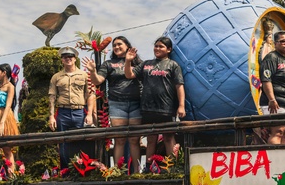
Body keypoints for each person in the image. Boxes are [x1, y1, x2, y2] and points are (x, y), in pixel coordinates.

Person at [84, 36, 142, 172]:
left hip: (136, 103)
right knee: (120, 139)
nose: (116, 47)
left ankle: (136, 172)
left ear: (127, 45)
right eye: (114, 45)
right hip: (117, 104)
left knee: (134, 140)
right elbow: (98, 81)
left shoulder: (138, 62)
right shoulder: (108, 64)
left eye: (119, 44)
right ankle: (117, 171)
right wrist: (92, 71)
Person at [125, 37, 185, 160]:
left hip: (166, 108)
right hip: (147, 108)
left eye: (161, 46)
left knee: (168, 138)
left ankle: (173, 168)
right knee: (151, 139)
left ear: (168, 49)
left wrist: (181, 105)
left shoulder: (173, 65)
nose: (157, 48)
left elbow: (179, 86)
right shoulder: (146, 64)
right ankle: (149, 168)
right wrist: (128, 61)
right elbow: (129, 75)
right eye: (156, 46)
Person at [49, 47, 96, 168]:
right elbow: (52, 97)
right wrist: (51, 117)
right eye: (65, 57)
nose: (68, 59)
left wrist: (89, 114)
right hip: (63, 113)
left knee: (81, 141)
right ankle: (66, 172)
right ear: (62, 60)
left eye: (70, 57)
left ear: (75, 59)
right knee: (63, 143)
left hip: (79, 112)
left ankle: (81, 171)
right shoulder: (56, 77)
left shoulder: (85, 75)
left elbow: (91, 94)